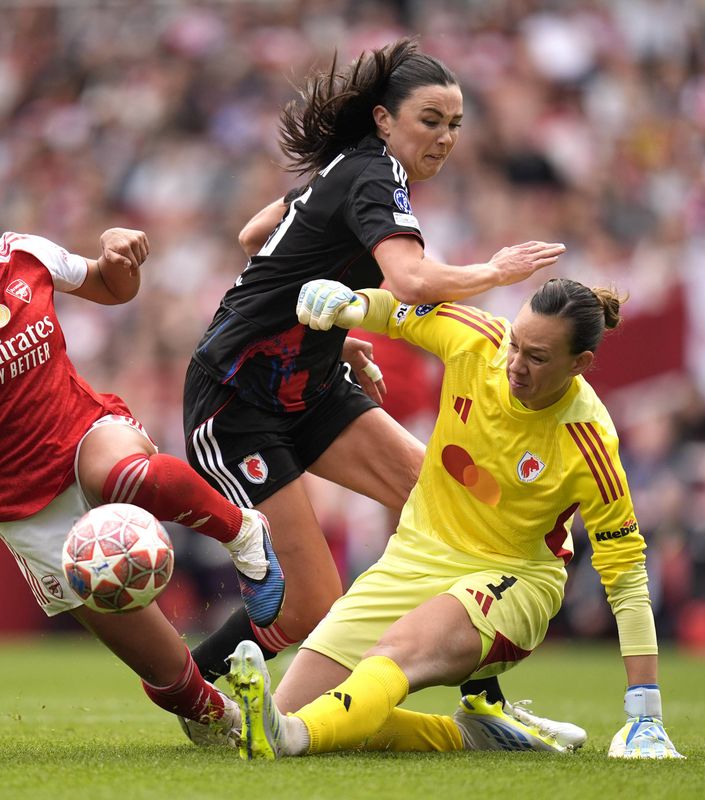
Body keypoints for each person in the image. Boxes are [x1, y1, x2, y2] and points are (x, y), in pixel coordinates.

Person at [183, 36, 569, 733]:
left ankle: (483, 705)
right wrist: (498, 270)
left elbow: (255, 237)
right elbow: (414, 282)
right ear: (385, 120)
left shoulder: (350, 169)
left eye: (455, 123)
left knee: (452, 506)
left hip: (312, 385)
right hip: (237, 399)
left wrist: (333, 335)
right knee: (308, 606)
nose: (446, 136)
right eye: (431, 119)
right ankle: (190, 690)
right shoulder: (373, 173)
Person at [0, 171, 285, 733]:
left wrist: (118, 258)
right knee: (167, 678)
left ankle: (242, 533)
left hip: (83, 430)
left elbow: (113, 289)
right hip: (20, 500)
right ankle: (220, 717)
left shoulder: (27, 256)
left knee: (124, 475)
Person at [226, 277, 685, 761]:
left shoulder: (589, 442)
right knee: (299, 704)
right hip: (416, 554)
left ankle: (291, 737)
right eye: (516, 343)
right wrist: (351, 303)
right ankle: (469, 734)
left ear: (580, 364)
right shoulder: (476, 339)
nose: (515, 365)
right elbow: (396, 312)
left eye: (538, 357)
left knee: (393, 655)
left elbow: (627, 577)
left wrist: (645, 713)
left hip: (514, 578)